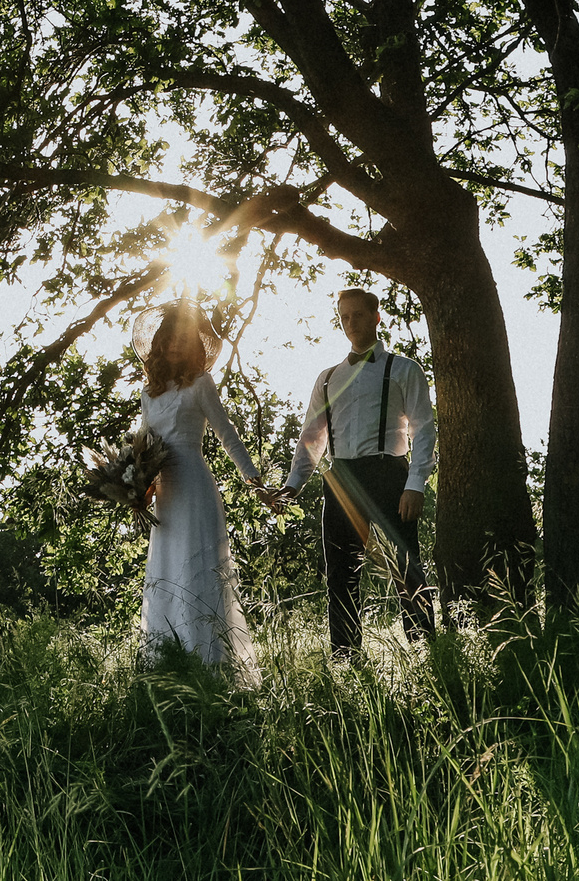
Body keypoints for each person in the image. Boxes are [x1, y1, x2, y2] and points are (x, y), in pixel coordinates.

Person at [269, 285, 435, 652]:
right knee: (340, 575)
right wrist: (293, 484)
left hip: (390, 475)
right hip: (341, 479)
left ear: (376, 317)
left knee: (407, 570)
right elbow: (312, 436)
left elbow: (424, 428)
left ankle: (425, 652)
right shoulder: (327, 377)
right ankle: (346, 658)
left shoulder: (404, 369)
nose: (351, 322)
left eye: (358, 315)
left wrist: (416, 484)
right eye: (344, 317)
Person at [133, 296, 267, 683]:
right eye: (169, 338)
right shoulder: (149, 394)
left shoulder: (201, 384)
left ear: (193, 344)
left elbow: (228, 435)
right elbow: (145, 446)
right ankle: (169, 668)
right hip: (164, 493)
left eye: (183, 338)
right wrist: (139, 487)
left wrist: (254, 480)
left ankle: (210, 669)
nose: (175, 344)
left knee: (198, 569)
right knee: (167, 570)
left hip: (193, 483)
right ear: (159, 343)